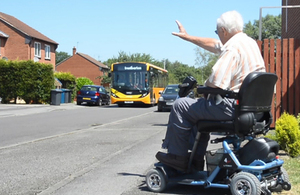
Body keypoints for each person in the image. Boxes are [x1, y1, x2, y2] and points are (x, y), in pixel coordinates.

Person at [156, 10, 266, 172]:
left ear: (224, 31)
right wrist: (187, 37)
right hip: (251, 110)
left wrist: (203, 88)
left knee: (181, 105)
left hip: (231, 108)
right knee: (195, 110)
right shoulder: (249, 43)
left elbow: (216, 81)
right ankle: (196, 162)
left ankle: (177, 157)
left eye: (217, 32)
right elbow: (214, 44)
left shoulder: (232, 48)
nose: (218, 36)